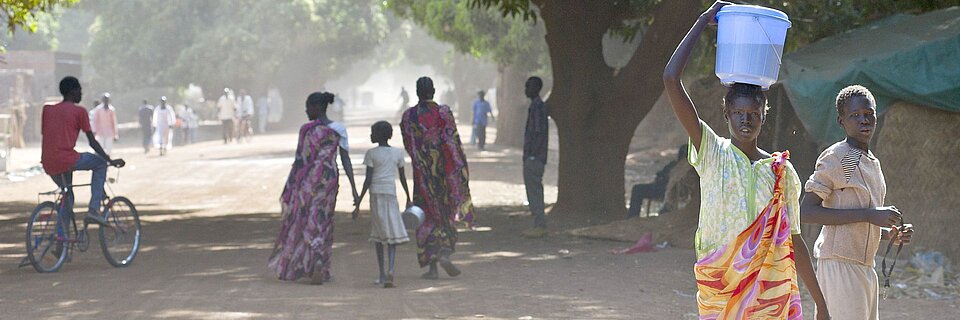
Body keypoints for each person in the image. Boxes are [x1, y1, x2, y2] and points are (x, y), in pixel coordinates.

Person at [662, 2, 829, 319]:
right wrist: (702, 20)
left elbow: (794, 239)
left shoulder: (781, 172)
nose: (745, 120)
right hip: (720, 287)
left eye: (753, 114)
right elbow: (671, 78)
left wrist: (821, 304)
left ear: (765, 115)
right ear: (726, 113)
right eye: (738, 113)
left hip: (769, 297)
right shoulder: (712, 152)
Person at [800, 85, 914, 320]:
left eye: (868, 114)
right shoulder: (840, 157)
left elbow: (860, 218)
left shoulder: (872, 162)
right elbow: (806, 212)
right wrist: (870, 215)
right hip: (839, 265)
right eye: (855, 115)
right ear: (841, 121)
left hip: (865, 268)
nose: (864, 120)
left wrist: (886, 234)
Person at [269, 92, 358, 285]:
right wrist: (354, 189)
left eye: (308, 107)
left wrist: (291, 187)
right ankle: (320, 263)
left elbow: (300, 160)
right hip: (329, 181)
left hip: (308, 182)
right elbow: (345, 160)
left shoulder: (306, 130)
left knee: (306, 219)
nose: (306, 111)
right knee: (323, 220)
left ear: (317, 107)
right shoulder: (339, 129)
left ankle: (312, 261)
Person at [400, 76, 475, 280]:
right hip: (444, 175)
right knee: (446, 214)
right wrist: (459, 172)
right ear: (433, 90)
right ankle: (445, 252)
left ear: (416, 92)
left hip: (423, 177)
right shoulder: (443, 112)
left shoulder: (408, 116)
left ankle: (431, 268)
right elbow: (452, 142)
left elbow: (409, 145)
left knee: (426, 218)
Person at [41, 76, 125, 226]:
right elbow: (92, 142)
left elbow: (48, 135)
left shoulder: (47, 110)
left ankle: (62, 242)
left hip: (48, 162)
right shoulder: (79, 111)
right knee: (100, 164)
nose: (81, 93)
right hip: (66, 159)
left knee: (68, 197)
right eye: (80, 90)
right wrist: (109, 160)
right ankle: (93, 210)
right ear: (73, 91)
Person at [355, 121, 412, 288]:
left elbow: (368, 179)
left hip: (376, 194)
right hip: (391, 194)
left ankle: (381, 274)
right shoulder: (397, 153)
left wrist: (358, 202)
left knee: (379, 234)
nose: (371, 135)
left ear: (379, 135)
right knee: (392, 231)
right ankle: (391, 270)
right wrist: (408, 197)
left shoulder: (371, 154)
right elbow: (402, 178)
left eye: (372, 133)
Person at [521, 77, 549, 238]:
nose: (526, 90)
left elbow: (537, 133)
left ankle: (540, 225)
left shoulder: (538, 107)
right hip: (534, 157)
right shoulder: (535, 106)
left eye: (528, 86)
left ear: (536, 88)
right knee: (533, 191)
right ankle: (537, 223)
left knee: (535, 191)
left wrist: (531, 156)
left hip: (535, 158)